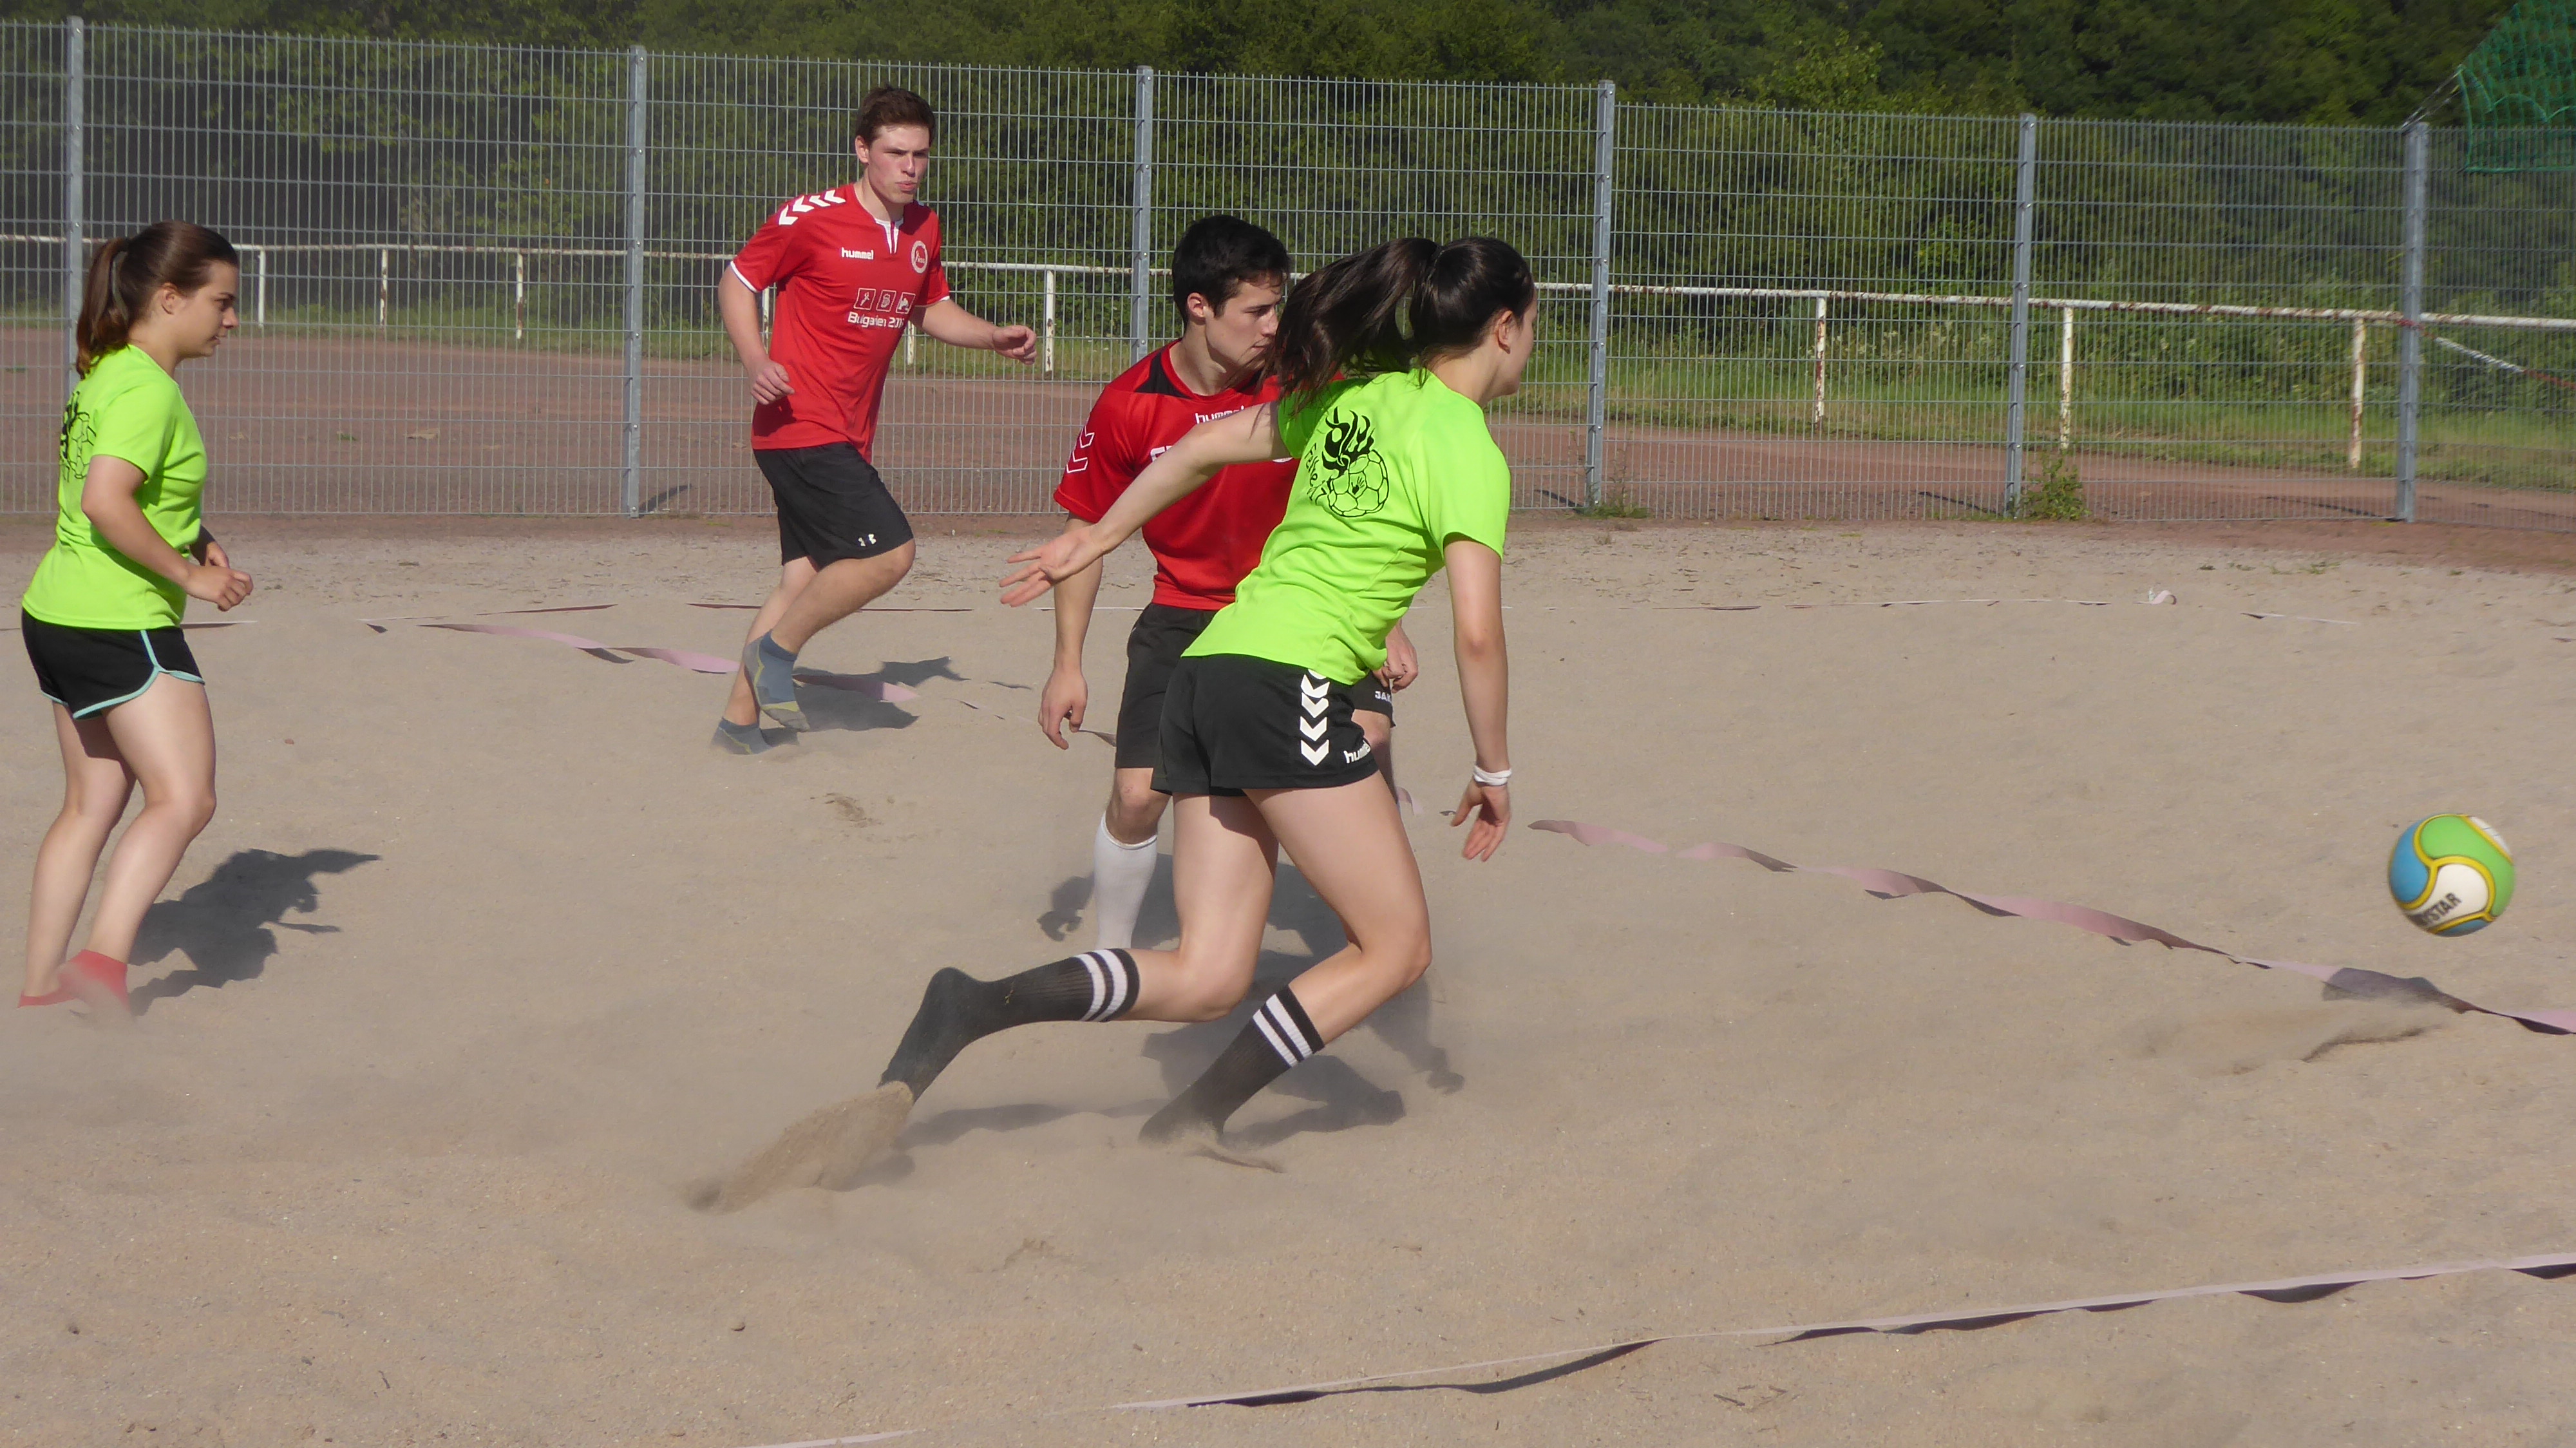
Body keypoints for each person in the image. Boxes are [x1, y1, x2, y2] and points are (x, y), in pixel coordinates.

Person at [713, 236, 1531, 1197]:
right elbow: (1477, 634)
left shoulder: (1358, 398)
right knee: (1397, 949)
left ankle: (974, 1005)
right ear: (1503, 327)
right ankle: (1192, 1116)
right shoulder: (1465, 446)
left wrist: (1098, 536)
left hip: (1209, 668)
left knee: (1211, 974)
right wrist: (1494, 770)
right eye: (1534, 325)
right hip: (1291, 684)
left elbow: (1204, 444)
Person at [1041, 215, 1417, 951]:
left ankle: (1380, 953)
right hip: (1184, 613)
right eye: (1258, 310)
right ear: (1199, 307)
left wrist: (1388, 623)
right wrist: (1066, 664)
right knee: (1136, 795)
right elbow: (1084, 535)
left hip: (1305, 611)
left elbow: (1364, 510)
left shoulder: (1308, 386)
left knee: (1369, 745)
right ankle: (1111, 960)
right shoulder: (1129, 403)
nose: (1275, 326)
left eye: (1280, 306)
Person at [712, 85, 1037, 753]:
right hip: (798, 425)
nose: (909, 167)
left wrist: (991, 337)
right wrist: (754, 359)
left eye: (920, 154)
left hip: (845, 434)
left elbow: (929, 308)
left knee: (803, 579)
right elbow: (738, 282)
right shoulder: (811, 217)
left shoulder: (924, 227)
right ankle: (774, 654)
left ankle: (737, 726)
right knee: (891, 553)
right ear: (863, 150)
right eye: (895, 153)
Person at [19, 221, 254, 1015]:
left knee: (91, 804)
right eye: (221, 302)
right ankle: (102, 964)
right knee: (186, 799)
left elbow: (135, 492)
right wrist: (189, 575)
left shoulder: (106, 371)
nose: (231, 320)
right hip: (118, 620)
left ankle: (40, 988)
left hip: (58, 613)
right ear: (169, 298)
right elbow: (105, 500)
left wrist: (198, 535)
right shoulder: (149, 390)